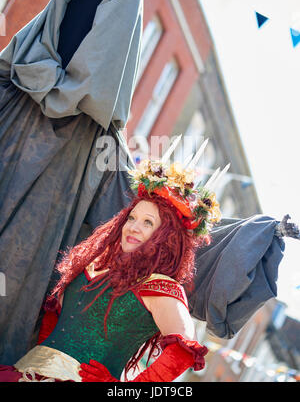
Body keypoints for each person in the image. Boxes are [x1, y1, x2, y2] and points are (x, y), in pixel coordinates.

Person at [0, 147, 222, 383]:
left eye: (148, 223)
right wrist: (41, 364)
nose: (134, 227)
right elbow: (55, 319)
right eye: (132, 218)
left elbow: (183, 349)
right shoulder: (93, 263)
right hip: (26, 371)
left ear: (168, 237)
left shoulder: (162, 287)